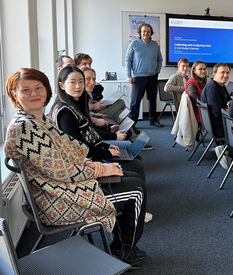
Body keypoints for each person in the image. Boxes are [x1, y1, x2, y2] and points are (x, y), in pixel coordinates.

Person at [4, 68, 147, 268]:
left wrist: (91, 163)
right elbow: (60, 171)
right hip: (56, 199)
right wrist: (101, 169)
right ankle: (125, 249)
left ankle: (121, 245)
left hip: (61, 187)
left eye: (38, 87)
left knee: (131, 176)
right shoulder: (24, 128)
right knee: (135, 190)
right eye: (25, 90)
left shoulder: (39, 120)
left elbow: (68, 153)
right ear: (14, 94)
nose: (34, 94)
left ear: (47, 90)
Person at [126, 22, 163, 128]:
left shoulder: (155, 45)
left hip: (152, 76)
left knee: (152, 99)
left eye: (148, 31)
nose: (146, 33)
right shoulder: (134, 44)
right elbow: (128, 60)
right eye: (144, 31)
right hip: (138, 76)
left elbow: (159, 59)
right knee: (135, 101)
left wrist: (157, 70)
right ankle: (132, 122)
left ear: (151, 33)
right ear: (140, 32)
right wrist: (129, 75)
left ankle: (153, 120)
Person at [200, 62, 231, 139]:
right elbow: (217, 112)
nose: (225, 75)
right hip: (219, 127)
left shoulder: (220, 85)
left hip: (217, 123)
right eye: (222, 72)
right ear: (214, 73)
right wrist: (231, 110)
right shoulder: (213, 88)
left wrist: (230, 106)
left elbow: (229, 100)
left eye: (227, 73)